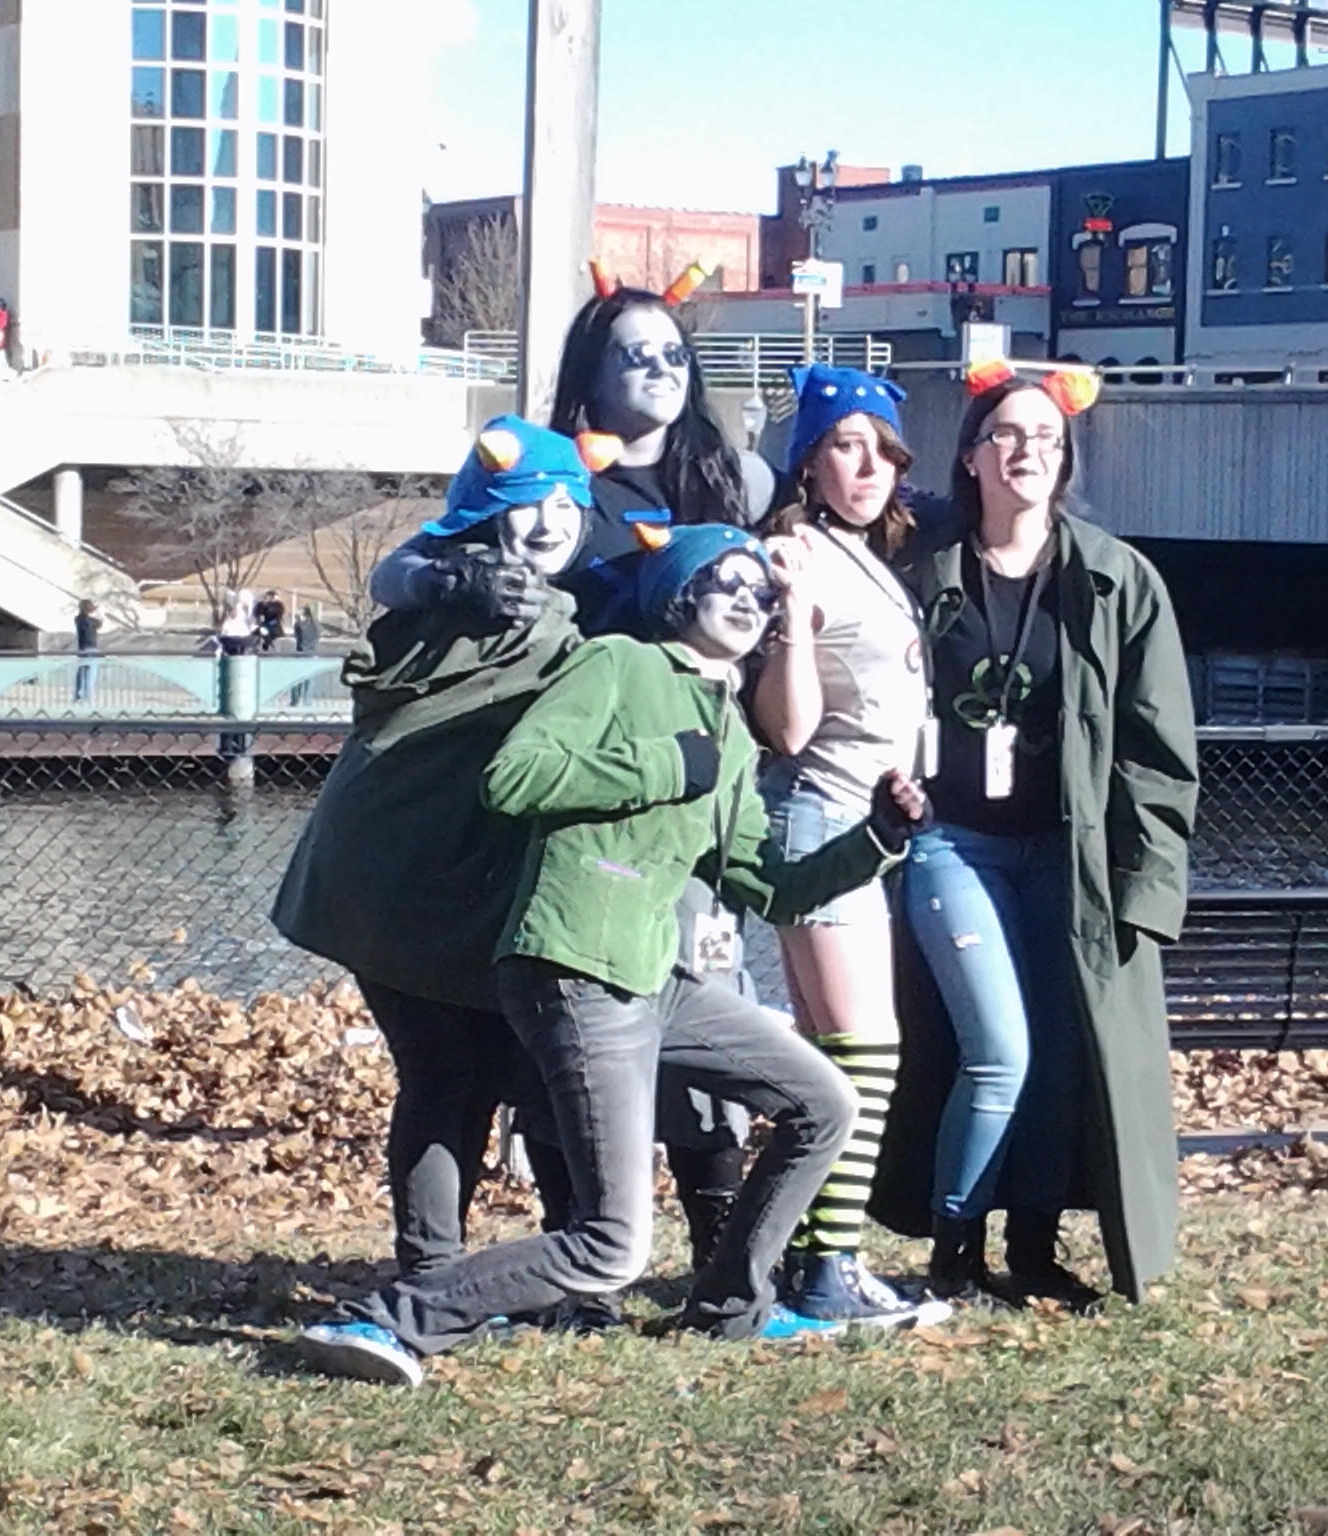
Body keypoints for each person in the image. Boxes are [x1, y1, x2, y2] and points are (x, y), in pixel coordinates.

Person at [296, 524, 934, 1385]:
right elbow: (515, 777)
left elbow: (772, 887)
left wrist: (879, 838)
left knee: (825, 1102)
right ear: (679, 595)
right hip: (576, 967)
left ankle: (731, 1306)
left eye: (762, 591)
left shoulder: (730, 732)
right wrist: (664, 764)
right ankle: (390, 1321)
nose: (749, 600)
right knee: (612, 1246)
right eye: (727, 581)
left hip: (655, 976)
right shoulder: (616, 666)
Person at [368, 268, 768, 1302]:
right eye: (633, 354)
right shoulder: (544, 483)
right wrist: (448, 579)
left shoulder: (731, 485)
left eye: (673, 353)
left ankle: (715, 1258)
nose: (659, 370)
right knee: (543, 1053)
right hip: (556, 797)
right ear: (590, 369)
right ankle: (558, 1269)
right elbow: (399, 570)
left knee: (703, 1010)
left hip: (683, 799)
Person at [868, 362, 1201, 1313]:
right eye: (1006, 435)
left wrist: (1148, 886)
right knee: (997, 1048)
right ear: (972, 456)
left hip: (1069, 853)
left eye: (1046, 438)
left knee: (1062, 1053)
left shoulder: (1116, 579)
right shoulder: (921, 568)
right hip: (952, 844)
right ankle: (955, 1251)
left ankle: (1034, 1249)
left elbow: (1158, 750)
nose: (1027, 451)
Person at [275, 417, 597, 1280]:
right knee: (457, 1072)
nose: (551, 522)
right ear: (486, 512)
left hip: (413, 886)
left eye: (568, 504)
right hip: (406, 884)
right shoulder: (480, 600)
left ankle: (479, 1265)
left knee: (478, 1071)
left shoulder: (517, 602)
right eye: (529, 501)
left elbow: (399, 570)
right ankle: (444, 1272)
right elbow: (404, 569)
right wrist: (450, 578)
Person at [749, 365, 945, 1329]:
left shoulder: (863, 554)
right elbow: (787, 730)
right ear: (808, 463)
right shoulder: (801, 557)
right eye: (845, 447)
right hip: (821, 818)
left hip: (864, 826)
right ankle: (827, 1269)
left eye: (884, 450)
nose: (869, 468)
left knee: (841, 1056)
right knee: (864, 1053)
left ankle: (808, 1258)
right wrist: (791, 619)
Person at [288, 605, 321, 707]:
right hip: (311, 654)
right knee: (309, 682)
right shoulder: (316, 625)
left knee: (296, 680)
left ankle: (295, 701)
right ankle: (307, 703)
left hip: (301, 654)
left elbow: (299, 634)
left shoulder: (300, 625)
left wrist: (298, 621)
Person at [72, 599, 101, 703]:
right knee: (90, 674)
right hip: (91, 648)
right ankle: (88, 697)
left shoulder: (78, 619)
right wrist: (96, 611)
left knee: (82, 672)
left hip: (82, 648)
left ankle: (78, 695)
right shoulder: (91, 621)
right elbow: (99, 623)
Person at [218, 590, 257, 655]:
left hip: (240, 636)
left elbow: (251, 624)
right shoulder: (237, 612)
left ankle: (236, 652)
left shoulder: (244, 613)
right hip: (233, 637)